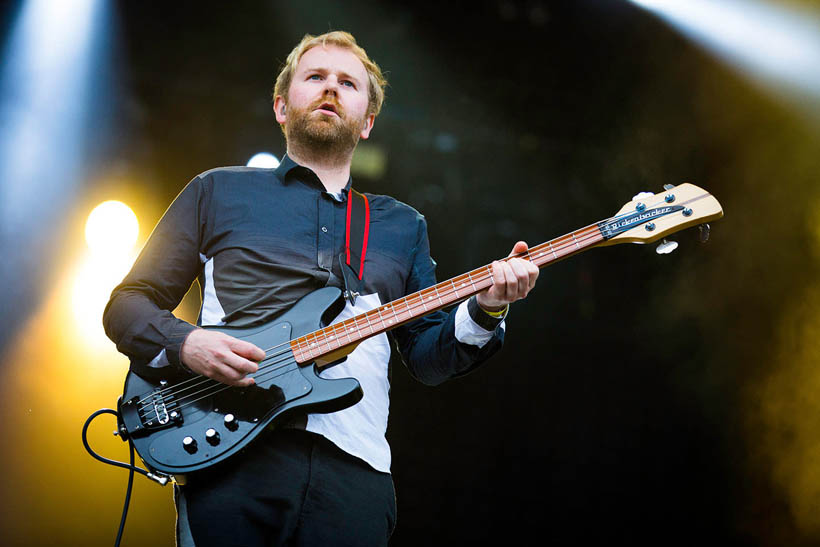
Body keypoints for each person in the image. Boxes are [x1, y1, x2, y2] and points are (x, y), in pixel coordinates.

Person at [103, 30, 539, 547]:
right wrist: (188, 344)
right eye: (315, 77)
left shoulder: (402, 226)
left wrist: (487, 309)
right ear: (282, 106)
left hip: (355, 472)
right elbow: (127, 306)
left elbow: (427, 358)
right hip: (234, 455)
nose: (331, 88)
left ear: (368, 122)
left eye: (347, 82)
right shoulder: (217, 191)